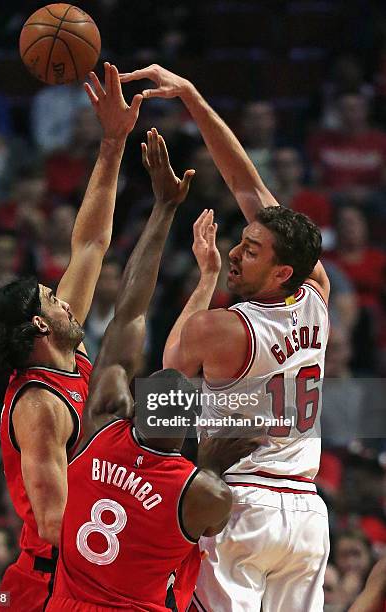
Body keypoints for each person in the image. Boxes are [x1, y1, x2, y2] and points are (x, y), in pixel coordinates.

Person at [121, 64, 330, 611]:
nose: (237, 251)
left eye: (251, 251)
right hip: (307, 516)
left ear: (284, 271)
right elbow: (248, 184)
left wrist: (206, 276)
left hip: (242, 506)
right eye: (240, 243)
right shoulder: (317, 293)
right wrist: (191, 93)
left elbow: (167, 375)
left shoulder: (225, 329)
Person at [46, 129, 262, 612]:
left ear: (137, 408)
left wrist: (163, 208)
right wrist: (214, 464)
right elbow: (206, 512)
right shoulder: (203, 490)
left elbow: (129, 313)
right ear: (187, 432)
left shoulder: (102, 425)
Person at [0, 62, 142, 612]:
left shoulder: (66, 357)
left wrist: (113, 143)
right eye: (52, 298)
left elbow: (92, 242)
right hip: (51, 584)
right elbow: (52, 522)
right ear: (41, 326)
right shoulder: (40, 405)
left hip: (87, 570)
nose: (65, 299)